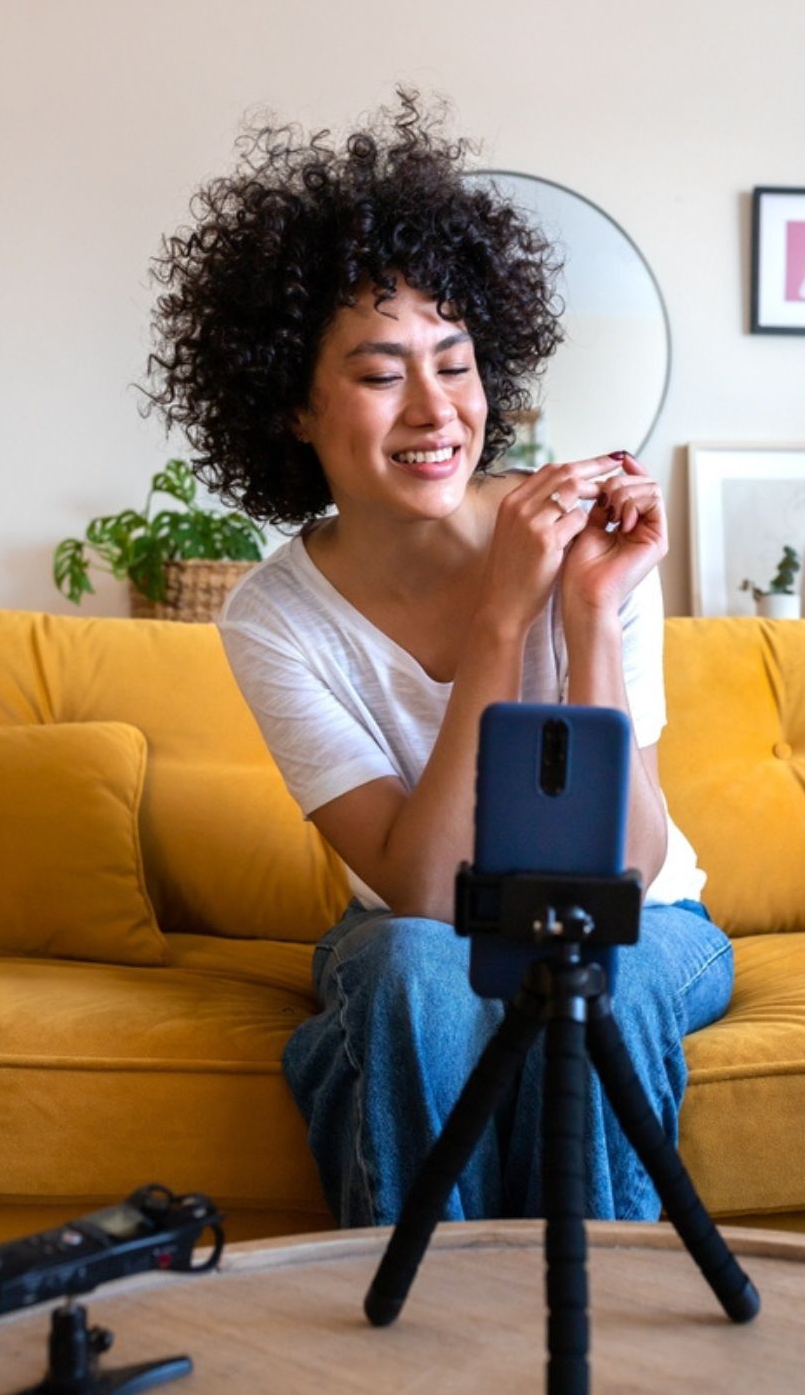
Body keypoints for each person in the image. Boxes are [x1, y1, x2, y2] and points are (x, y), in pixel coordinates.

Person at [142, 91, 733, 1228]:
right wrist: (503, 623)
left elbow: (636, 861)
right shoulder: (274, 617)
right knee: (413, 971)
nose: (436, 409)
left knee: (589, 992)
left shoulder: (588, 544)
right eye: (378, 374)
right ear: (292, 407)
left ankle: (583, 1334)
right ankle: (440, 1337)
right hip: (414, 931)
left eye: (455, 365)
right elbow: (417, 891)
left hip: (643, 922)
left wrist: (588, 613)